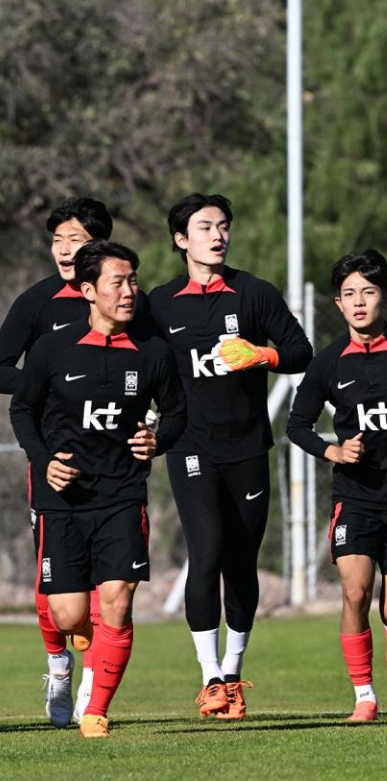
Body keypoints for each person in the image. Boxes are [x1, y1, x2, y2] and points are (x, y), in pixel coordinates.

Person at [10, 240, 186, 738]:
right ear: (88, 291)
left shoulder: (153, 354)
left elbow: (177, 414)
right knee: (69, 616)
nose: (130, 290)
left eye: (133, 280)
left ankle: (97, 710)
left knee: (118, 599)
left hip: (122, 495)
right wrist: (44, 462)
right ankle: (69, 656)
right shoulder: (52, 349)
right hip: (62, 498)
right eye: (117, 282)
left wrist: (158, 440)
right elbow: (22, 410)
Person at [149, 193, 312, 720]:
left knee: (242, 561)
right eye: (204, 227)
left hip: (247, 447)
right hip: (190, 446)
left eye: (223, 226)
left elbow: (301, 350)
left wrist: (263, 354)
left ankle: (235, 674)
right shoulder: (159, 303)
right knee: (209, 551)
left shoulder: (254, 293)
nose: (217, 235)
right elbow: (136, 359)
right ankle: (210, 677)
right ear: (181, 239)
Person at [287, 250, 387, 722]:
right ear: (338, 303)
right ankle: (364, 695)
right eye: (350, 294)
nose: (360, 302)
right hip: (355, 495)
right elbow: (298, 425)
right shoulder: (328, 362)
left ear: (386, 297)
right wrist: (332, 451)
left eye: (369, 292)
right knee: (354, 592)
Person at [0, 197, 128, 727]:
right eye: (57, 240)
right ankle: (58, 666)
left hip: (116, 469)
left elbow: (153, 364)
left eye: (74, 240)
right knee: (55, 588)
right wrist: (45, 385)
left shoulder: (121, 297)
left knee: (113, 585)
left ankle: (95, 689)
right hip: (54, 462)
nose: (63, 250)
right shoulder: (39, 303)